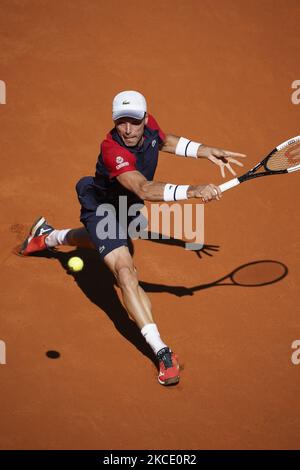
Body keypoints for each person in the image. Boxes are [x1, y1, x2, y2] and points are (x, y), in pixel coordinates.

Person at [19, 90, 246, 386]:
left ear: (144, 118)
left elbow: (165, 141)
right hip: (101, 206)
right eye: (121, 122)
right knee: (126, 273)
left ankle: (49, 237)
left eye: (134, 122)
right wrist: (193, 190)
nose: (127, 129)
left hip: (125, 208)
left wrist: (205, 150)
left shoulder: (149, 126)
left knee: (98, 240)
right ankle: (163, 352)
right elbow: (144, 189)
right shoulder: (112, 149)